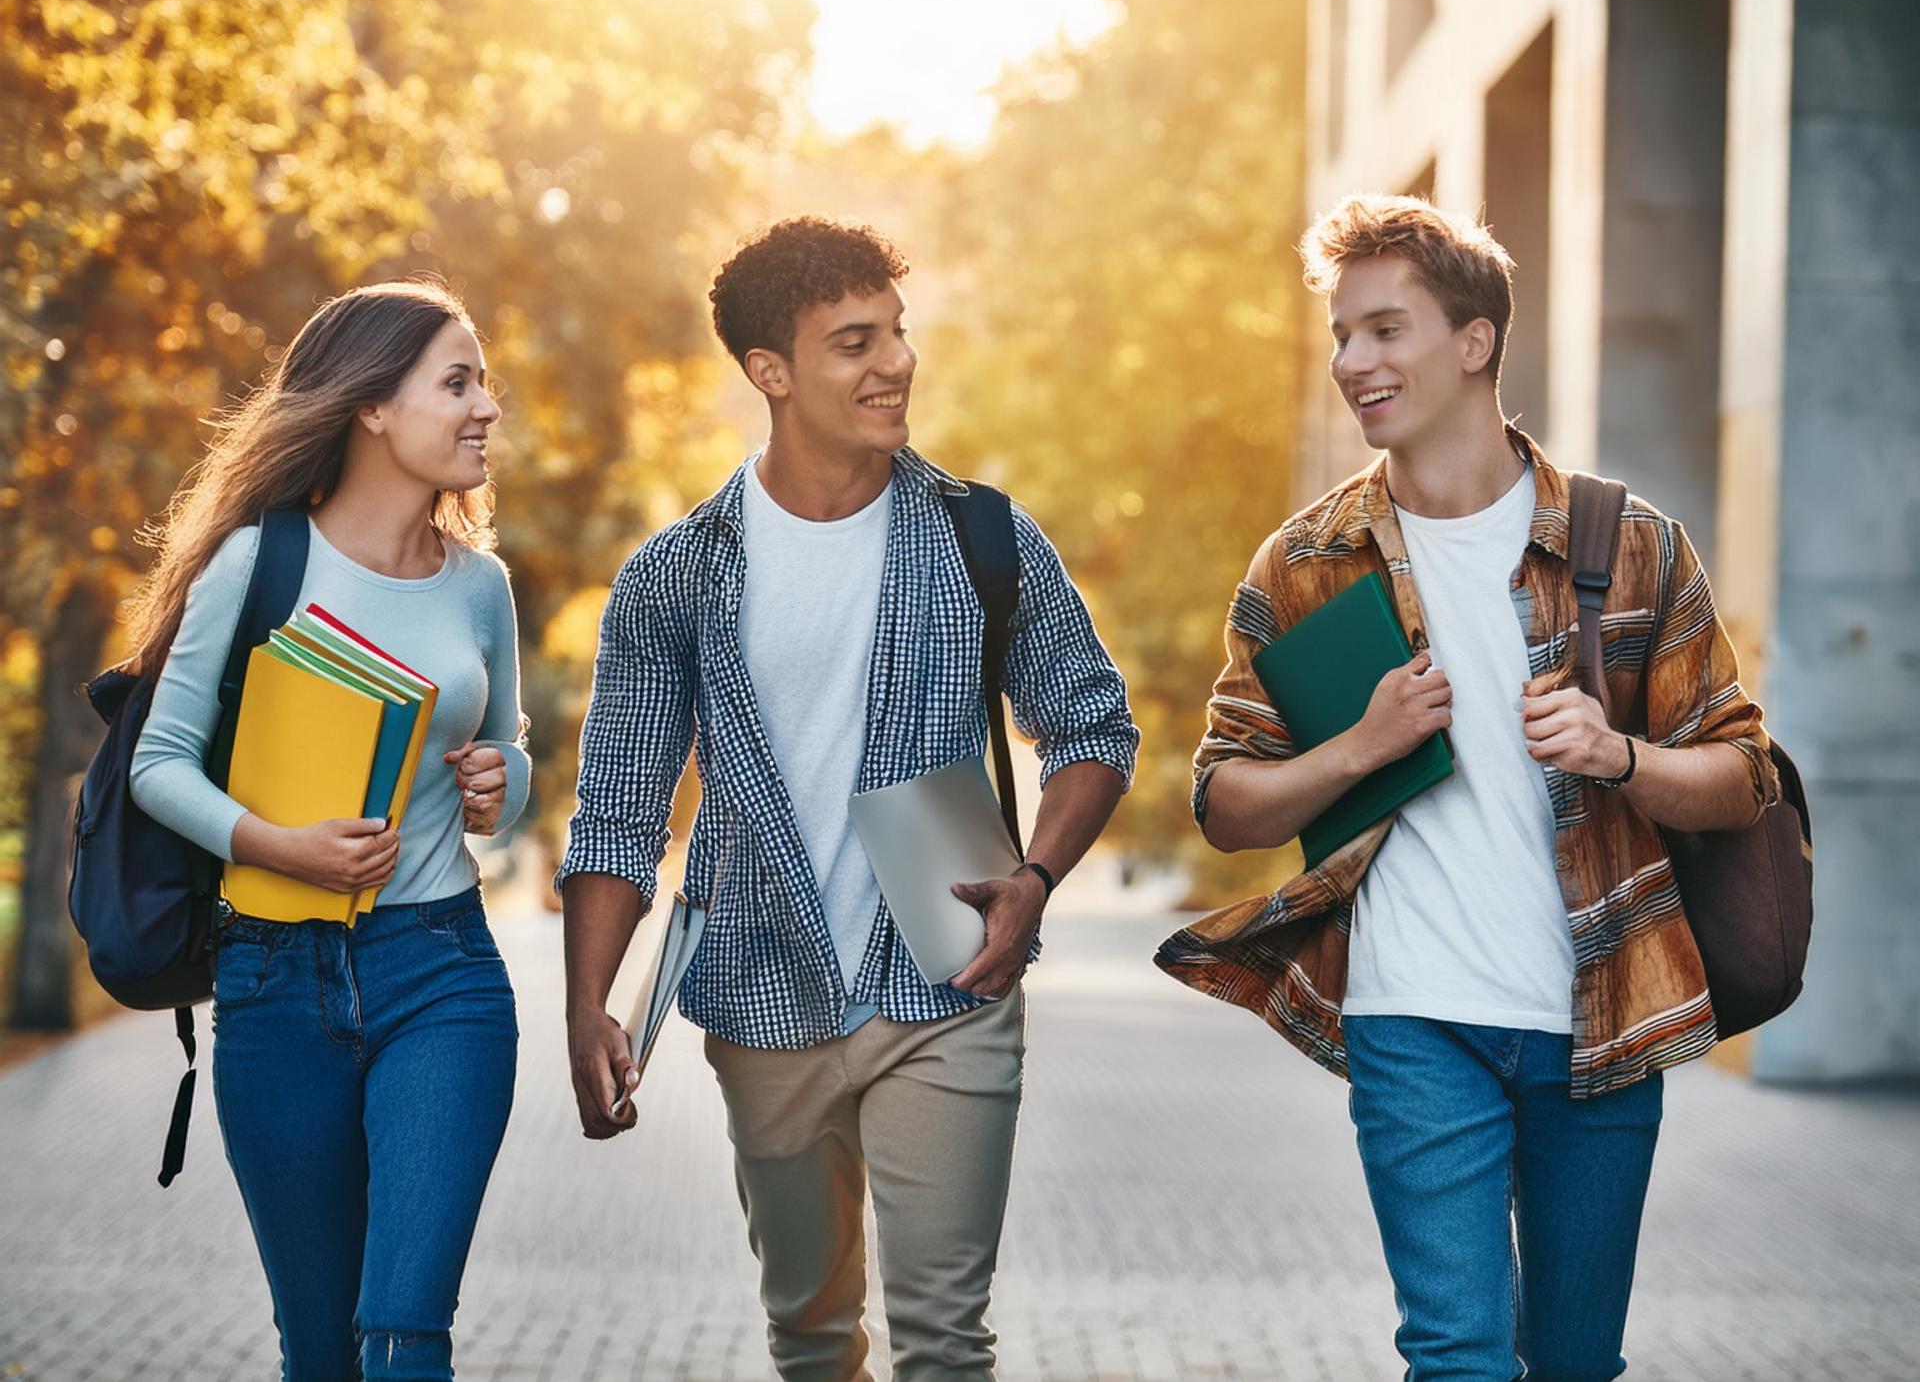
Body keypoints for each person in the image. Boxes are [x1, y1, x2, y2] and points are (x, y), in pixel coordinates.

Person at [1160, 195, 1777, 1381]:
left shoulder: (1630, 544)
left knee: (1575, 1361)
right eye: (1342, 335)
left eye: (1384, 330)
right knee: (1456, 1354)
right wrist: (1359, 746)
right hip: (1413, 1015)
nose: (1353, 362)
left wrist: (1620, 756)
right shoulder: (1307, 562)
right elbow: (1226, 801)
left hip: (1601, 1015)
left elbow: (1743, 775)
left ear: (1474, 339)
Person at [559, 216, 1138, 1382]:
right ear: (769, 372)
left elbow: (1094, 727)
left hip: (946, 978)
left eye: (899, 333)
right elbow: (618, 809)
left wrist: (1033, 881)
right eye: (853, 342)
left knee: (944, 1341)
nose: (896, 365)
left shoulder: (979, 534)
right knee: (814, 1341)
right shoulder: (678, 574)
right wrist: (588, 1000)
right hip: (762, 990)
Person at [127, 279, 530, 1382]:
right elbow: (159, 763)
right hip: (272, 984)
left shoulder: (481, 585)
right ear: (369, 405)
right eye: (457, 381)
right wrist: (274, 842)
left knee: (404, 1340)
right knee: (321, 1353)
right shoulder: (258, 562)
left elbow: (513, 758)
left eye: (483, 380)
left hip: (440, 972)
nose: (486, 405)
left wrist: (505, 779)